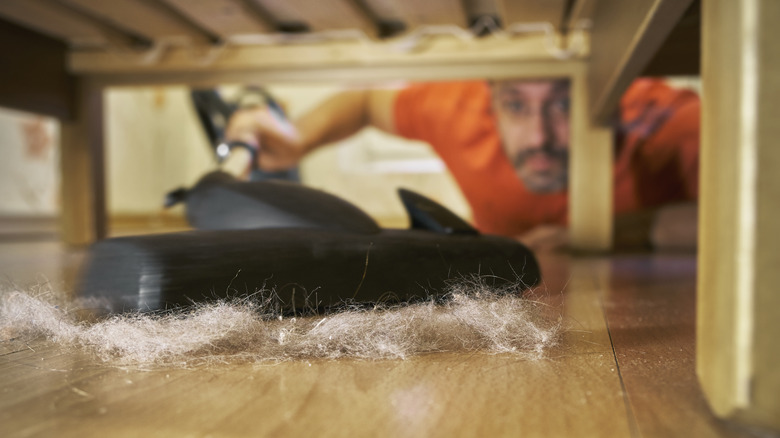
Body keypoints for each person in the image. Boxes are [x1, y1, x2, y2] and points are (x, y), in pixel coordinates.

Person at [225, 78, 700, 251]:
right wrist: (297, 139)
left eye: (562, 104)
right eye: (516, 105)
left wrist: (609, 233)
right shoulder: (460, 108)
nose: (539, 136)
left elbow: (742, 220)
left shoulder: (665, 122)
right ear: (491, 100)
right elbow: (367, 101)